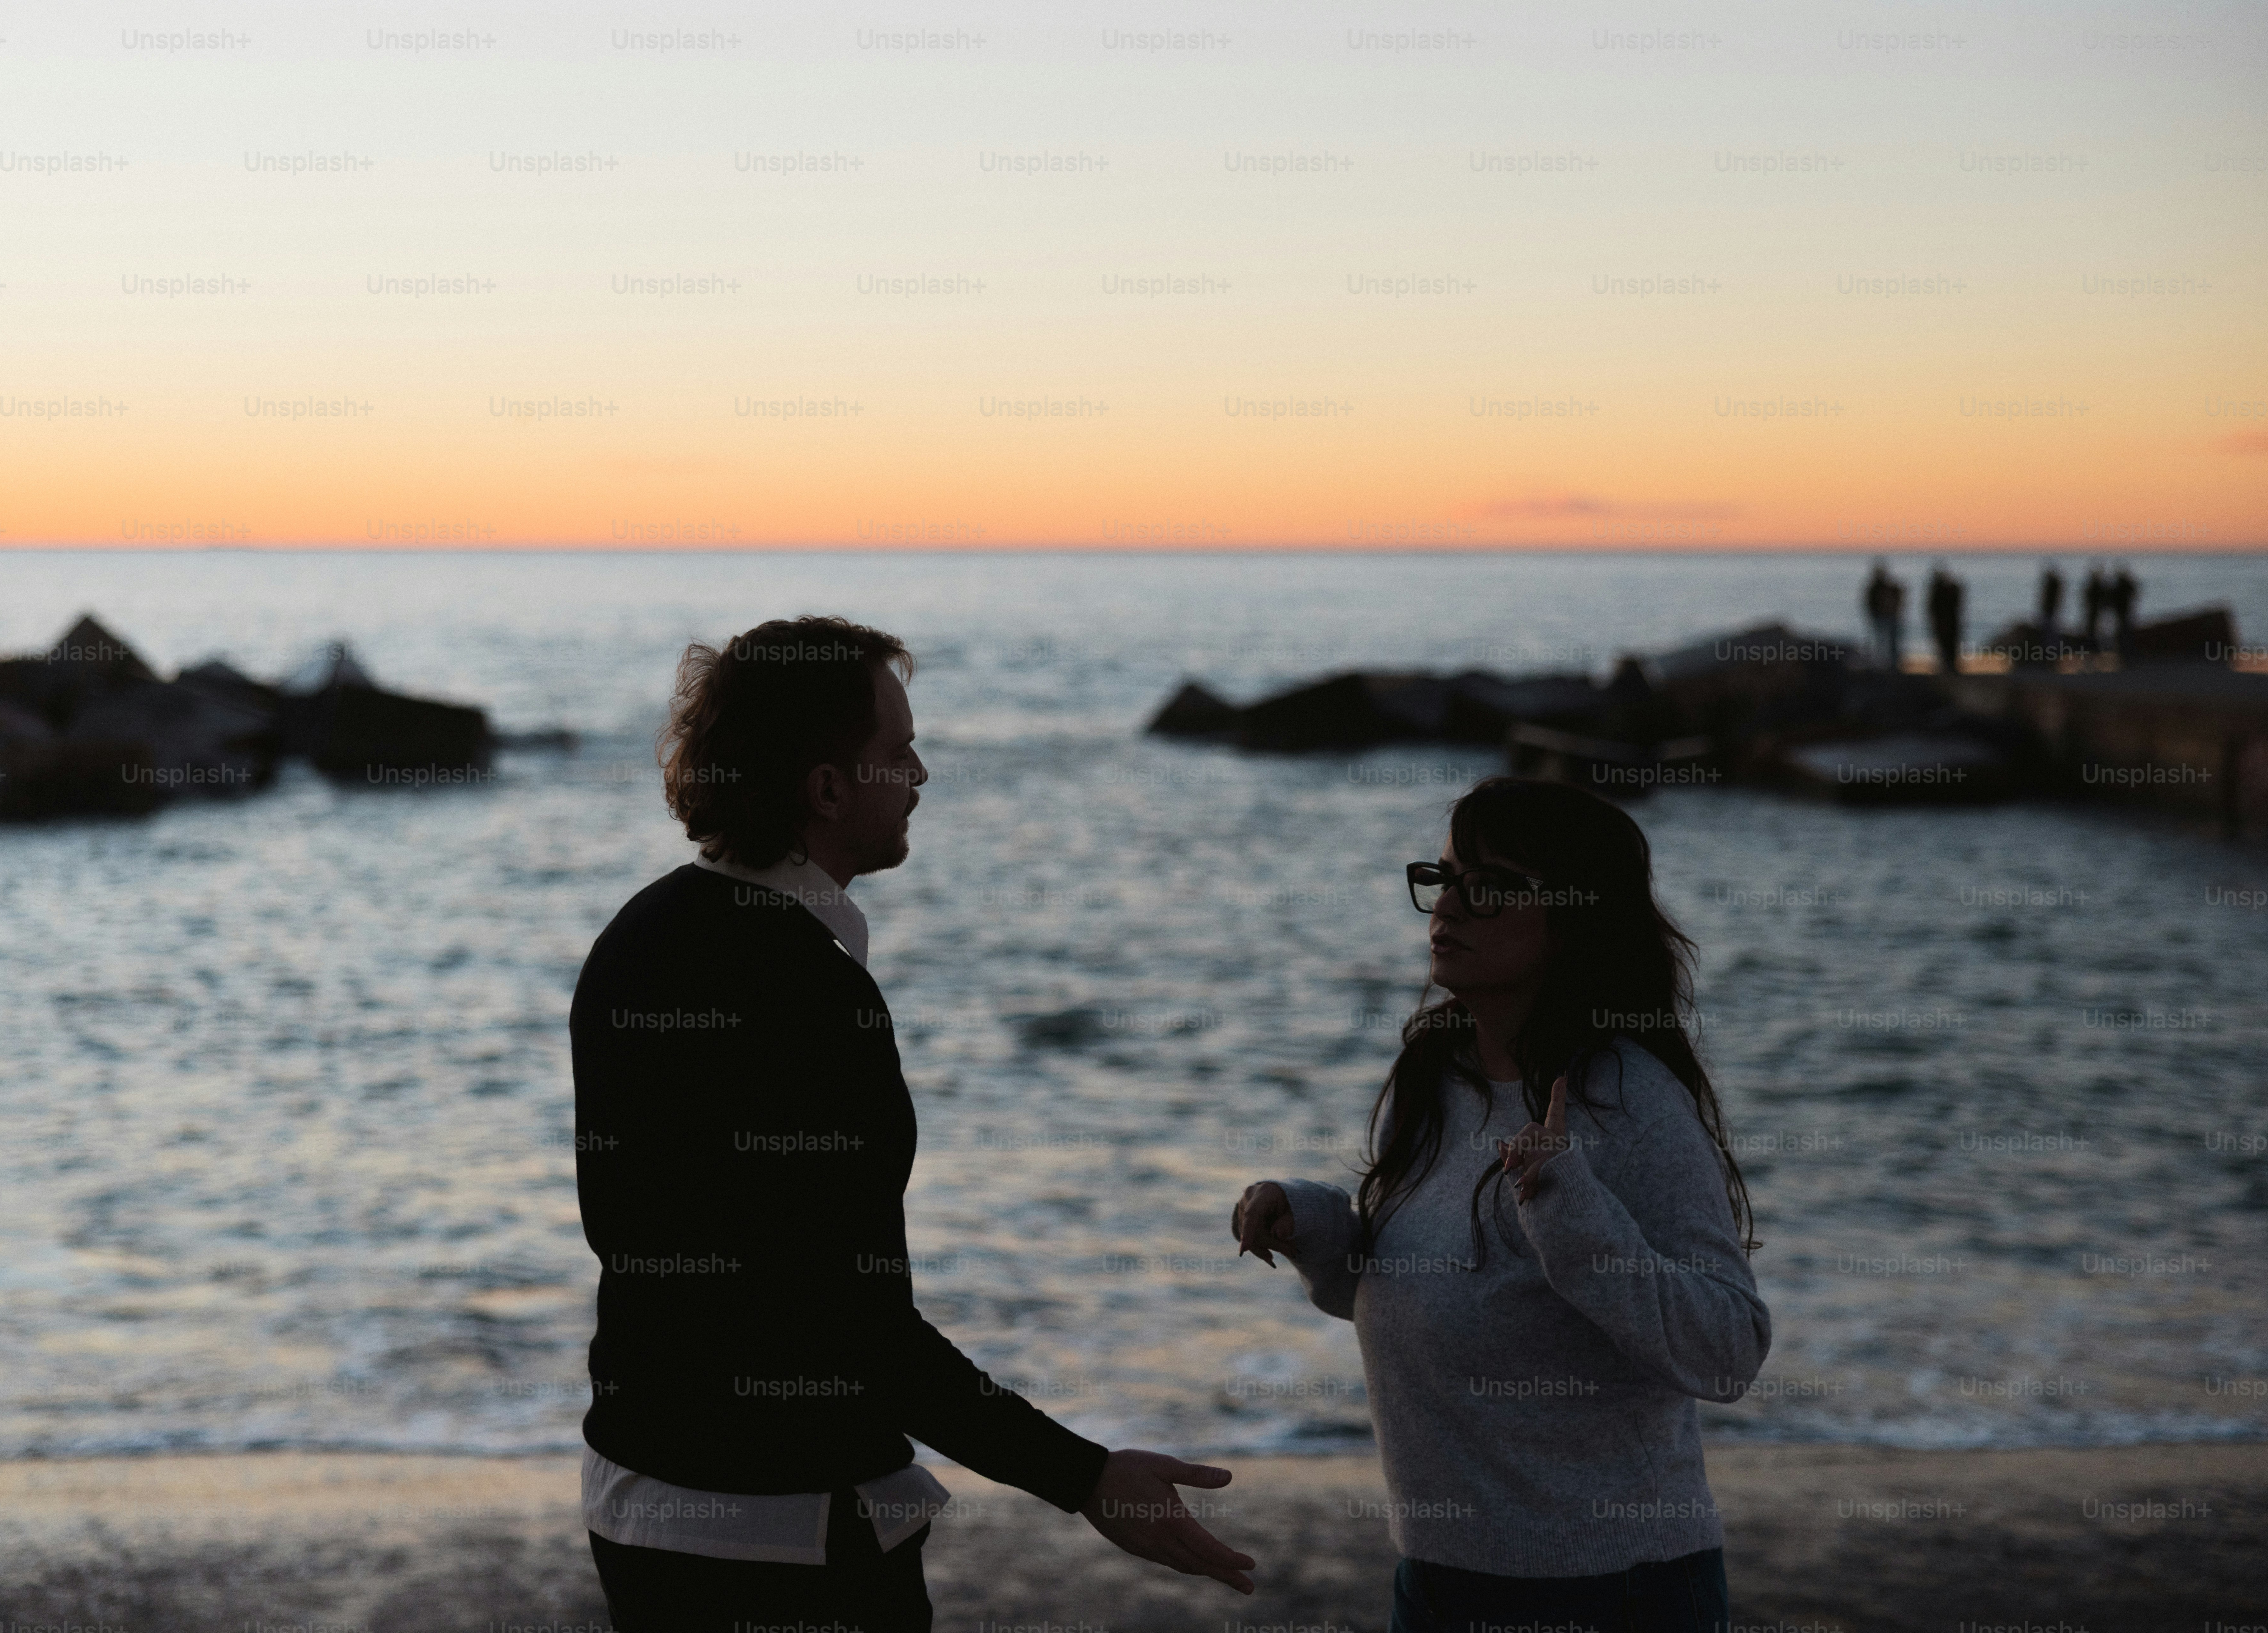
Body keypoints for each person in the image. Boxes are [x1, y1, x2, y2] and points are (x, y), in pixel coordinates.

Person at [572, 616, 1256, 1629]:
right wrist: (1086, 1475)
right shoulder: (808, 989)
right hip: (787, 1531)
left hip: (637, 1500)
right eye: (897, 751)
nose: (922, 772)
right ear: (828, 787)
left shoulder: (638, 932)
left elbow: (633, 1228)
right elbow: (849, 1318)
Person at [1232, 776, 1768, 1633]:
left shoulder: (1626, 1098)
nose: (1450, 908)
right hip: (1443, 1579)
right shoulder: (1441, 1076)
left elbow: (1729, 1349)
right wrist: (1315, 1225)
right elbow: (1442, 1294)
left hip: (1610, 1588)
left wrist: (1570, 1211)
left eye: (1490, 888)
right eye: (1444, 880)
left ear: (1572, 919)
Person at [1861, 560, 1902, 668]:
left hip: (1887, 618)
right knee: (1882, 642)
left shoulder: (1886, 588)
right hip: (1882, 618)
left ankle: (1889, 664)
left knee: (1887, 642)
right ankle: (1884, 664)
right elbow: (1870, 604)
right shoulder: (1876, 589)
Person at [1926, 563, 1964, 673]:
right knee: (1947, 646)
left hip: (1947, 623)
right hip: (1945, 623)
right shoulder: (1941, 591)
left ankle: (1949, 667)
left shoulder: (1940, 591)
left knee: (1948, 646)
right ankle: (1948, 667)